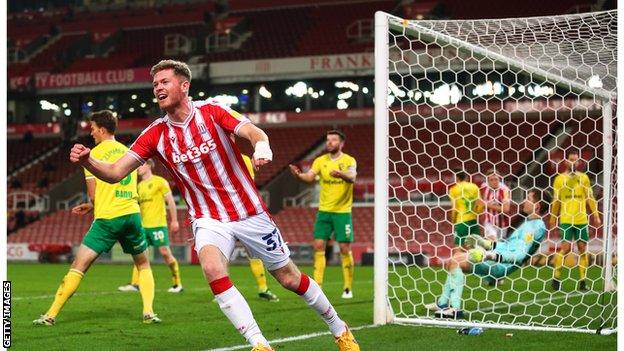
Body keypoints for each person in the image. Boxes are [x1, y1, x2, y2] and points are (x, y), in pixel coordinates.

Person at [69, 60, 359, 351]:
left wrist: (262, 147)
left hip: (249, 212)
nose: (158, 87)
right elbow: (115, 172)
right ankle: (259, 344)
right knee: (211, 268)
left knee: (289, 278)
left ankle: (339, 327)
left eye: (164, 81)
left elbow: (255, 133)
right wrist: (88, 161)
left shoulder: (212, 111)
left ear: (184, 86)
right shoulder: (155, 134)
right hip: (208, 218)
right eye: (155, 84)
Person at [34, 110, 160, 326]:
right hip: (131, 215)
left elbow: (93, 193)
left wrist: (92, 204)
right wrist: (93, 204)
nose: (91, 133)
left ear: (101, 129)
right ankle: (148, 312)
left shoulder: (91, 155)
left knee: (78, 266)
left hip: (107, 219)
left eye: (92, 129)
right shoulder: (128, 152)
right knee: (143, 265)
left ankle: (50, 315)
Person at [427, 188, 550, 318]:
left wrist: (490, 255)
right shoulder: (530, 223)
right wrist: (487, 244)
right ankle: (442, 303)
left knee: (456, 261)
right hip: (498, 259)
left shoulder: (535, 227)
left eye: (529, 199)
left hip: (501, 264)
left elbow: (518, 254)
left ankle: (455, 309)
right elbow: (510, 246)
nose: (524, 201)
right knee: (456, 257)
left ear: (537, 206)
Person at [288, 130, 357, 299]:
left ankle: (347, 287)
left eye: (333, 140)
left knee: (344, 248)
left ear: (341, 143)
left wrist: (341, 174)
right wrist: (299, 176)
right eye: (328, 140)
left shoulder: (349, 160)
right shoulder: (320, 161)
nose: (330, 143)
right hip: (324, 211)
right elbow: (309, 177)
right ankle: (317, 286)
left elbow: (352, 176)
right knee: (318, 246)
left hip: (342, 212)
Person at [118, 159, 183, 293]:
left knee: (165, 253)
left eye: (140, 165)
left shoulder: (160, 182)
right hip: (143, 226)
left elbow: (170, 201)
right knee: (139, 254)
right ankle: (135, 284)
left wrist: (174, 220)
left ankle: (177, 284)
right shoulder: (140, 186)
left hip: (158, 225)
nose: (138, 168)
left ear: (148, 165)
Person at [550, 150, 601, 291]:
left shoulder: (583, 178)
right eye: (571, 160)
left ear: (578, 162)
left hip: (581, 219)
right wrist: (553, 218)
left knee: (582, 250)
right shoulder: (559, 179)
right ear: (566, 161)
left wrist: (596, 215)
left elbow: (590, 198)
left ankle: (583, 281)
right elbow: (556, 200)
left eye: (576, 160)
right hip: (566, 218)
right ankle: (556, 278)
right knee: (565, 249)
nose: (574, 162)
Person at [238, 148, 279, 302]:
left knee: (251, 251)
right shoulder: (211, 158)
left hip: (242, 212)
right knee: (220, 253)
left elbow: (249, 185)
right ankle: (222, 292)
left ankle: (263, 288)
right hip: (221, 213)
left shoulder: (244, 159)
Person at [479, 169, 511, 286]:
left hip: (502, 224)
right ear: (487, 181)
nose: (494, 181)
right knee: (493, 245)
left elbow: (506, 209)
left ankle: (497, 275)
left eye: (496, 179)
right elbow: (479, 201)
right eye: (491, 179)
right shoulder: (483, 187)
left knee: (499, 252)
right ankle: (491, 275)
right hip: (489, 223)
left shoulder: (504, 190)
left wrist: (486, 204)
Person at [448, 169, 482, 252]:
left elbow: (454, 209)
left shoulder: (453, 189)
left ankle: (458, 264)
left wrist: (453, 221)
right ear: (466, 177)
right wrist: (476, 214)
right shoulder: (474, 186)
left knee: (459, 248)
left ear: (456, 177)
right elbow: (480, 205)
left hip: (461, 221)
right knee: (474, 249)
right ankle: (474, 265)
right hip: (473, 221)